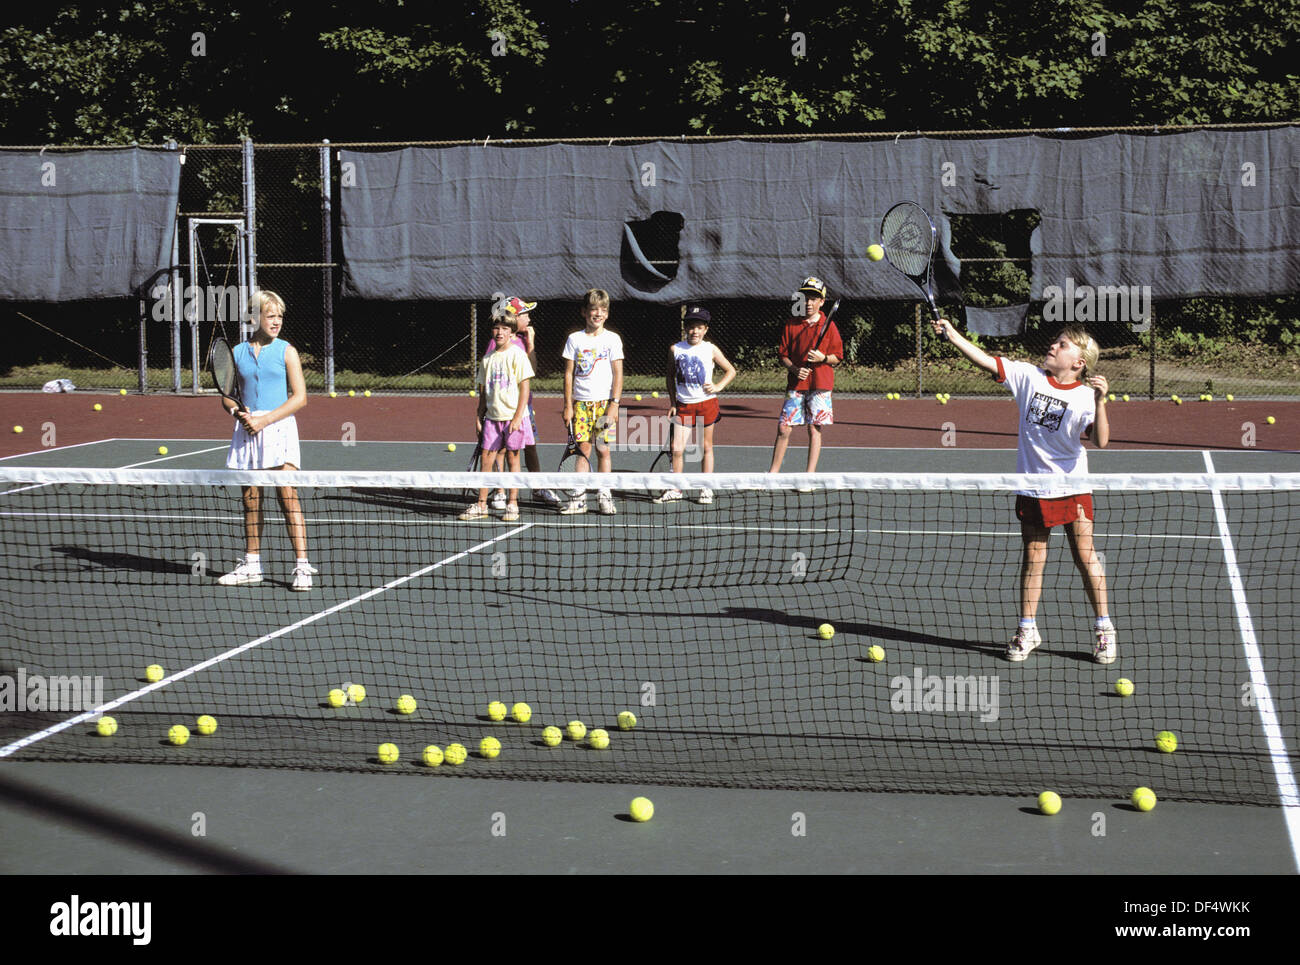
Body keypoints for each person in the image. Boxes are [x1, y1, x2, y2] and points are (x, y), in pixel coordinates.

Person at [933, 317, 1116, 664]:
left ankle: (1104, 629)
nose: (1053, 345)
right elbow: (986, 359)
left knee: (1085, 557)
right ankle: (1028, 628)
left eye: (1063, 345)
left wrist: (1102, 401)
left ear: (1079, 363)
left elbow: (1101, 441)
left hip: (1072, 488)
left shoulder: (1084, 397)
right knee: (1033, 559)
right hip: (1033, 488)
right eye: (1055, 340)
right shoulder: (1028, 377)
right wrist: (953, 334)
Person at [218, 290, 314, 591]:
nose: (276, 321)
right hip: (248, 431)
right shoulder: (236, 353)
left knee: (287, 496)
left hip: (279, 428)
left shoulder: (287, 351)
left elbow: (300, 398)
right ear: (254, 317)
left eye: (279, 316)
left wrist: (264, 420)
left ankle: (301, 567)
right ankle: (252, 564)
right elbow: (227, 396)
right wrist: (239, 414)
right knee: (251, 499)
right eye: (270, 315)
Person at [655, 305, 736, 505]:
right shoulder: (676, 349)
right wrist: (673, 402)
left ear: (705, 329)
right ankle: (675, 488)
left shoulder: (710, 349)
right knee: (677, 448)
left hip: (706, 404)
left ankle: (705, 488)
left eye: (699, 327)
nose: (695, 331)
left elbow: (731, 370)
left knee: (705, 447)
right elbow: (670, 376)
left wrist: (718, 386)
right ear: (685, 328)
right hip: (683, 406)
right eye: (691, 326)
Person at [482, 296, 559, 507]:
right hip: (500, 410)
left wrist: (531, 341)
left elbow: (533, 370)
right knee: (501, 450)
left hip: (523, 408)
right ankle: (500, 491)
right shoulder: (496, 341)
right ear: (515, 317)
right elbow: (487, 374)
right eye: (525, 314)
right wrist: (483, 409)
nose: (529, 317)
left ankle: (538, 488)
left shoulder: (524, 341)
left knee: (530, 446)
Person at [460, 315, 535, 521]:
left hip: (513, 418)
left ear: (512, 332)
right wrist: (478, 415)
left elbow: (525, 388)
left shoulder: (518, 355)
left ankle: (512, 503)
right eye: (496, 328)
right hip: (492, 418)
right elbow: (484, 392)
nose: (500, 332)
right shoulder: (487, 359)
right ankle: (481, 505)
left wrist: (518, 416)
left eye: (504, 328)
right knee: (487, 459)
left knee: (513, 458)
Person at [767, 276, 843, 476]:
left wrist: (823, 357)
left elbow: (838, 357)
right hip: (796, 385)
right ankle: (772, 474)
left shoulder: (829, 326)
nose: (809, 302)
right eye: (806, 298)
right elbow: (783, 354)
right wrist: (794, 369)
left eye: (813, 298)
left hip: (820, 385)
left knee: (814, 429)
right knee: (784, 428)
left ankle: (809, 476)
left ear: (821, 302)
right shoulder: (792, 324)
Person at [560, 288, 624, 515]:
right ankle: (578, 499)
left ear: (607, 314)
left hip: (604, 404)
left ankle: (604, 496)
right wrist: (568, 405)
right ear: (584, 312)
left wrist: (614, 404)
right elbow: (569, 374)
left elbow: (618, 373)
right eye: (593, 309)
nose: (597, 314)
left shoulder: (613, 339)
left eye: (602, 310)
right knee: (583, 450)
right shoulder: (574, 339)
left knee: (603, 450)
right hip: (581, 405)